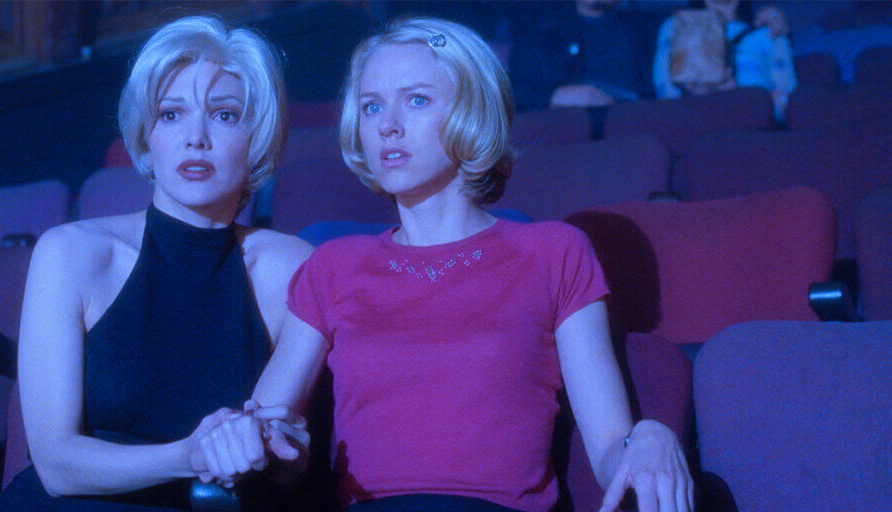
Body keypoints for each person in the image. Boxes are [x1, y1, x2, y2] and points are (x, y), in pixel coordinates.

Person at [199, 17, 695, 512]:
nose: (387, 125)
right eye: (372, 106)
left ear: (471, 112)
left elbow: (609, 449)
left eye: (416, 100)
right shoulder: (334, 266)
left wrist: (649, 437)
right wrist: (253, 440)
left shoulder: (554, 252)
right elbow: (271, 432)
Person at [0, 15, 313, 511]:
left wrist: (287, 457)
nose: (195, 137)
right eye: (171, 114)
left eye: (224, 115)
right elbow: (55, 464)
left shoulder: (291, 266)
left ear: (258, 137)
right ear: (146, 135)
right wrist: (187, 455)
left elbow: (268, 459)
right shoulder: (72, 253)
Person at [653, 0, 796, 114]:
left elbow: (787, 98)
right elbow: (667, 97)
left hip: (755, 123)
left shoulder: (769, 30)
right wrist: (704, 96)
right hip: (697, 122)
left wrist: (746, 100)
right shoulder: (676, 25)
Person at [510, 0, 655, 110]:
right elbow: (517, 92)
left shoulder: (647, 31)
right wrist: (555, 96)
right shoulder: (541, 35)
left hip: (638, 125)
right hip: (571, 129)